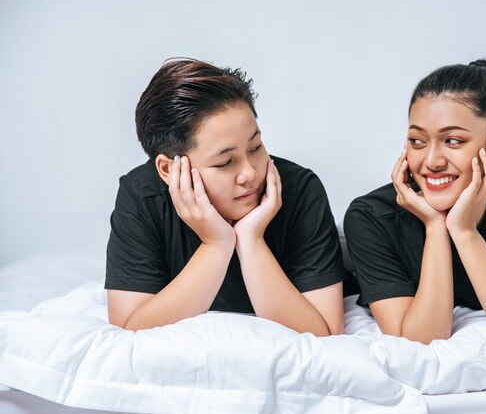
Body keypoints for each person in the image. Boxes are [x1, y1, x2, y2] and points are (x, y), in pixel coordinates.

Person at [105, 58, 346, 334]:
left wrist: (252, 240)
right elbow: (128, 328)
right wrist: (216, 244)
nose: (250, 174)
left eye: (255, 147)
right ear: (169, 169)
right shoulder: (142, 197)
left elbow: (325, 331)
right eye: (224, 162)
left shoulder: (299, 190)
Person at [344, 59, 486, 344]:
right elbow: (421, 339)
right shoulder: (371, 217)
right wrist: (435, 226)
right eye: (417, 141)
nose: (431, 162)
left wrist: (464, 230)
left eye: (453, 141)